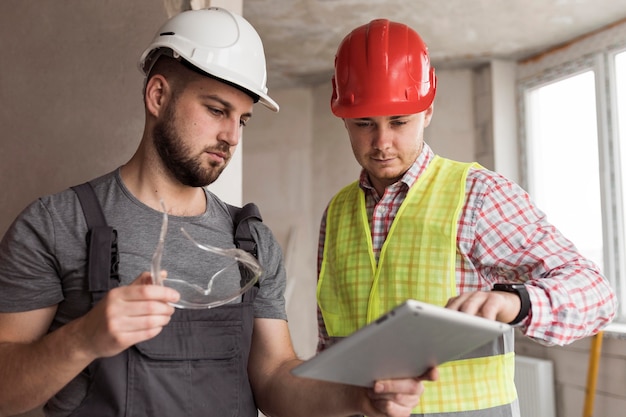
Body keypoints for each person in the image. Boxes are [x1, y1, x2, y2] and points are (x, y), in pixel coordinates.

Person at [0, 8, 436, 417]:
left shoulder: (251, 242)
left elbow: (271, 379)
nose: (231, 136)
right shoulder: (57, 224)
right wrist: (83, 339)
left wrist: (357, 395)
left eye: (242, 120)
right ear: (157, 95)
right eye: (216, 110)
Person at [316, 18, 617, 417]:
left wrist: (516, 303)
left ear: (427, 111)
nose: (382, 142)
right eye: (364, 124)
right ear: (343, 118)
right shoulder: (336, 213)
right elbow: (330, 341)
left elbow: (596, 294)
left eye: (399, 122)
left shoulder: (478, 195)